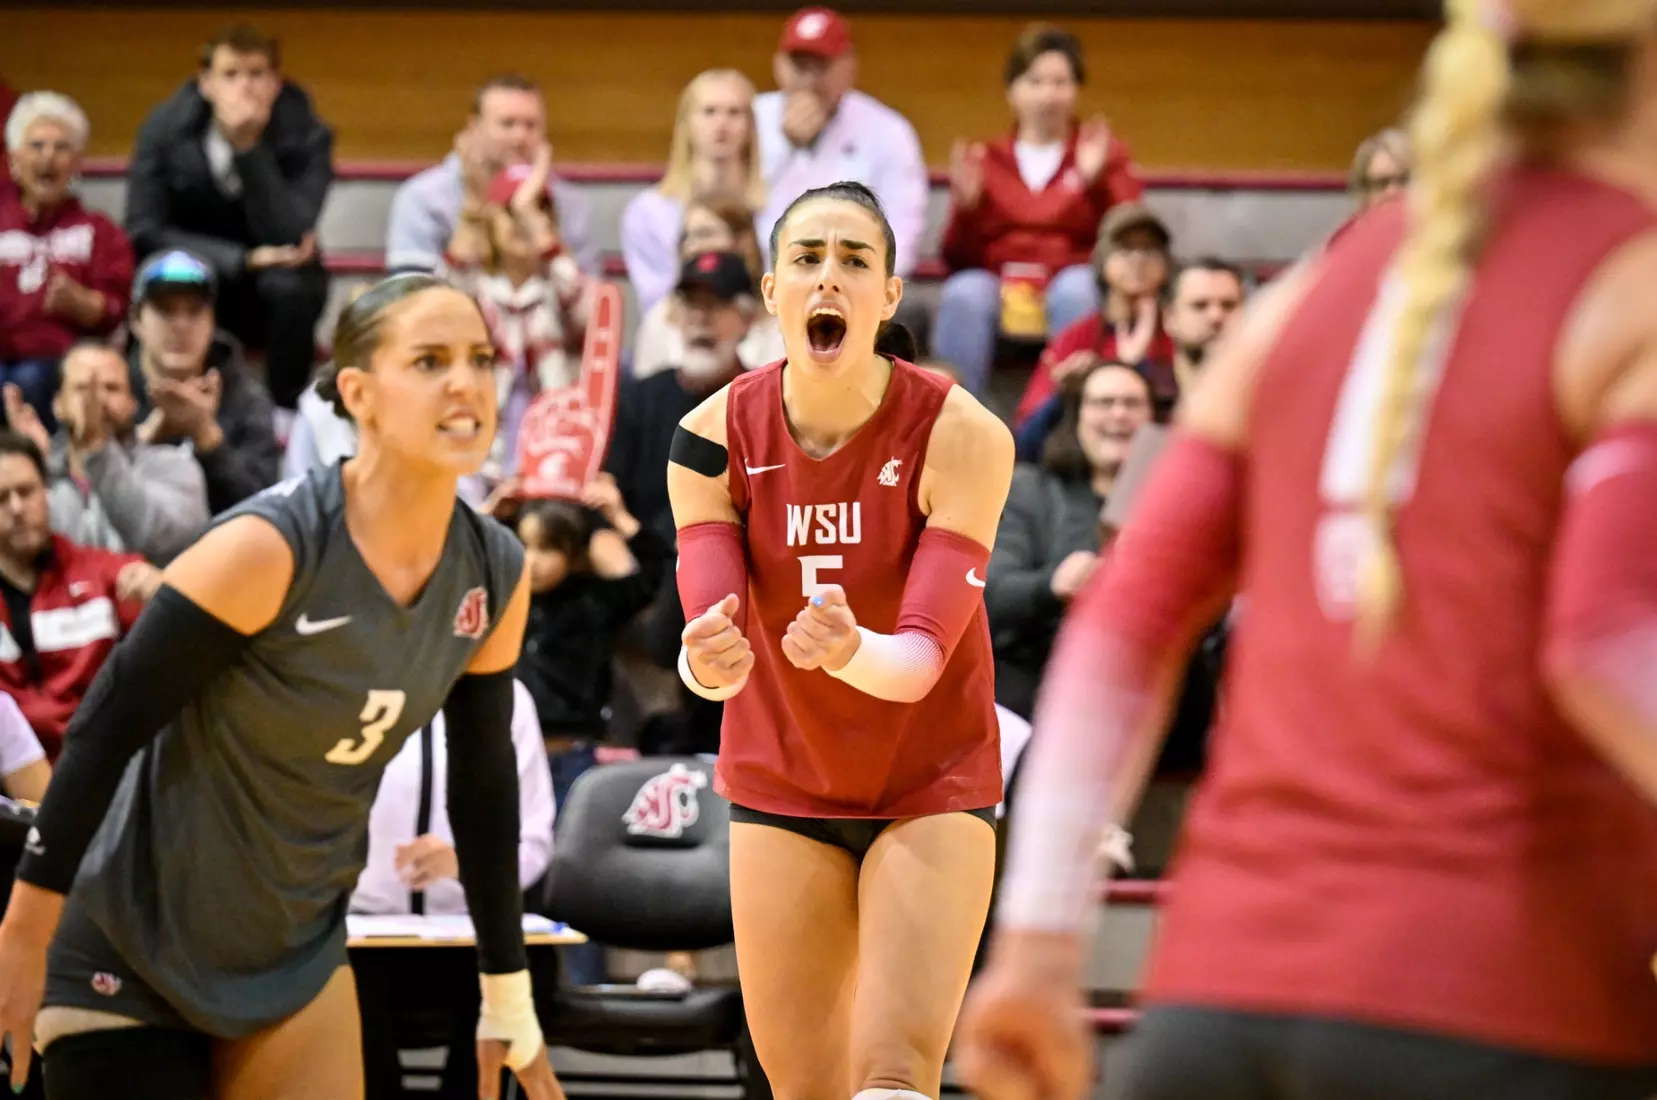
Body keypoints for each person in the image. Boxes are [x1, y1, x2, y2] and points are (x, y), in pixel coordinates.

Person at [958, 3, 1657, 1099]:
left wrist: (1040, 944)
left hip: (1213, 1012)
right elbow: (1606, 632)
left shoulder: (1305, 298)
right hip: (1503, 1003)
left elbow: (1123, 623)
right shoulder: (1631, 279)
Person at [0, 273, 564, 1100]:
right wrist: (24, 934)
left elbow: (482, 792)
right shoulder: (271, 545)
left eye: (480, 359)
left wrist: (506, 991)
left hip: (293, 948)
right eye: (431, 360)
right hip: (133, 935)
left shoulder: (495, 571)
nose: (465, 383)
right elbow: (104, 727)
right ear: (359, 394)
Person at [669, 180, 1014, 1100]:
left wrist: (845, 647)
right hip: (783, 780)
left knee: (895, 1078)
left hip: (928, 779)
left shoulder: (962, 433)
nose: (830, 277)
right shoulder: (706, 438)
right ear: (774, 290)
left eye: (855, 261)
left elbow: (915, 665)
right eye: (808, 259)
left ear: (889, 296)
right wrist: (700, 664)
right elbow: (709, 640)